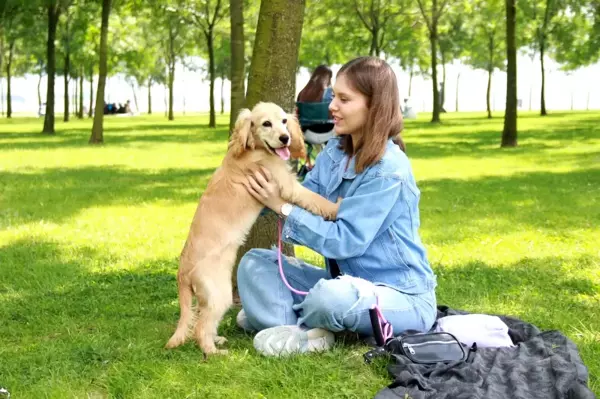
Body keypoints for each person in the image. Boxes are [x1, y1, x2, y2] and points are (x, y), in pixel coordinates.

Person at [238, 56, 438, 357]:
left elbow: (344, 242)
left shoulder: (390, 169)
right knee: (254, 262)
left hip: (401, 295)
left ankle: (277, 316)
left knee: (330, 298)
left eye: (344, 99)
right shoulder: (334, 151)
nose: (332, 106)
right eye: (334, 96)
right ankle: (298, 327)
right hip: (342, 282)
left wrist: (281, 207)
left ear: (375, 106)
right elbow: (303, 196)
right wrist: (261, 176)